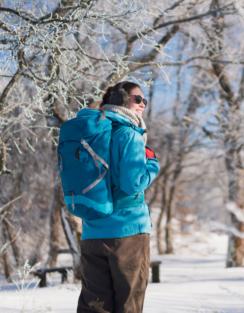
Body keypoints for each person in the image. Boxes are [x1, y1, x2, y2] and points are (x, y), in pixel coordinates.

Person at [77, 81, 159, 313]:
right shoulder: (129, 135)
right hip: (127, 232)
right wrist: (152, 163)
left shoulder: (91, 134)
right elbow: (133, 184)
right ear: (122, 101)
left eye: (145, 99)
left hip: (92, 231)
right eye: (137, 98)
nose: (143, 103)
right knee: (128, 304)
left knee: (94, 305)